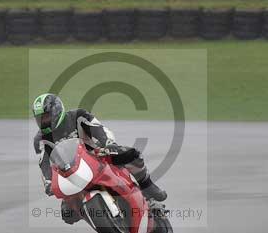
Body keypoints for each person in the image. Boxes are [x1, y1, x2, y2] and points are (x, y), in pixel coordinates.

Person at [32, 93, 167, 224]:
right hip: (72, 174)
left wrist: (108, 143)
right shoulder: (40, 139)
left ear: (56, 111)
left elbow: (98, 129)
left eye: (46, 117)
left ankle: (147, 187)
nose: (44, 122)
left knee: (132, 155)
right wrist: (49, 181)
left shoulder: (77, 116)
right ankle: (96, 216)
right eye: (40, 119)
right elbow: (44, 162)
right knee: (68, 214)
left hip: (99, 156)